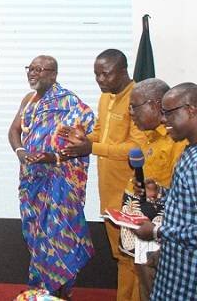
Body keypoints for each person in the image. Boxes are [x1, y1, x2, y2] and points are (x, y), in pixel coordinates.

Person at [61, 49, 146, 301]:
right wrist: (82, 139)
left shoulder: (138, 98)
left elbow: (137, 148)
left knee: (135, 258)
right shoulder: (106, 97)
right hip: (109, 193)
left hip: (131, 194)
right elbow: (100, 132)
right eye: (96, 74)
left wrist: (92, 147)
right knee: (122, 257)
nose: (100, 79)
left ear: (123, 71)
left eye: (105, 74)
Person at [8, 55, 95, 299]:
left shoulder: (69, 102)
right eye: (30, 68)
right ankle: (41, 290)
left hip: (60, 183)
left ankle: (59, 293)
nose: (33, 73)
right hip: (32, 182)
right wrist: (21, 152)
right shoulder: (28, 100)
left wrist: (53, 157)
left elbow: (83, 141)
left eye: (39, 69)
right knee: (37, 237)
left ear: (54, 74)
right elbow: (13, 130)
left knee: (58, 237)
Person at [134, 83, 197, 300]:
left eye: (168, 113)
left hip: (188, 283)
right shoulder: (189, 151)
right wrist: (160, 192)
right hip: (173, 272)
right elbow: (188, 205)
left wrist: (157, 232)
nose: (162, 119)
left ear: (191, 110)